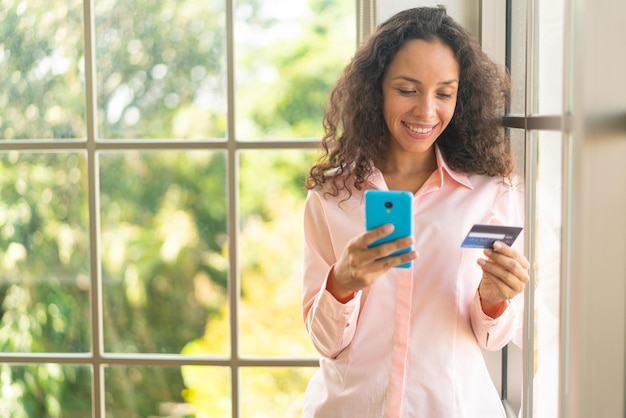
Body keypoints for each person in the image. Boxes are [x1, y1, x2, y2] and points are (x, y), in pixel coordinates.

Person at [301, 6, 530, 418]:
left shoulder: (491, 191)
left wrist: (495, 300)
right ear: (377, 90)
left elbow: (493, 337)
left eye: (444, 93)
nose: (427, 111)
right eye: (407, 90)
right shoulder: (331, 196)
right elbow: (325, 342)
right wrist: (342, 282)